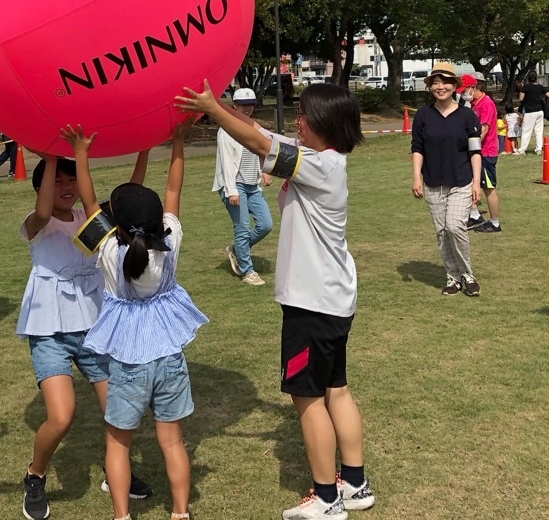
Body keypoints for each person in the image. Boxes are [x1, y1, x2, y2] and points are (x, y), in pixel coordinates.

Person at [177, 80, 374, 519]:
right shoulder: (324, 159)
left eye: (304, 114)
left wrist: (211, 108)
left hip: (313, 303)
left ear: (324, 122)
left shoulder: (319, 165)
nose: (298, 120)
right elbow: (255, 128)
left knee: (307, 399)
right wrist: (222, 105)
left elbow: (254, 139)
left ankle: (326, 499)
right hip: (333, 300)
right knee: (336, 390)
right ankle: (355, 484)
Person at [16, 138, 154, 520]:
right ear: (42, 184)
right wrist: (48, 152)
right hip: (49, 330)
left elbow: (131, 196)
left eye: (71, 179)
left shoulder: (87, 219)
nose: (67, 186)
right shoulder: (36, 224)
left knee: (119, 410)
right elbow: (44, 208)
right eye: (57, 180)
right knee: (61, 416)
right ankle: (35, 474)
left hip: (93, 326)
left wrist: (145, 145)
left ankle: (116, 471)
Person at [80, 120, 207, 520]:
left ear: (114, 224)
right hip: (169, 356)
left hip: (129, 361)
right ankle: (180, 513)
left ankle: (122, 516)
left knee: (117, 443)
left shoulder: (109, 254)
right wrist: (177, 143)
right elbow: (173, 190)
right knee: (173, 442)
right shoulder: (169, 242)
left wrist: (80, 151)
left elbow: (87, 202)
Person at [410, 62, 482, 297]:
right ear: (431, 86)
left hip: (461, 181)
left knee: (455, 226)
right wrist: (416, 178)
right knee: (442, 232)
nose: (440, 87)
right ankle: (452, 277)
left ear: (455, 86)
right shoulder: (423, 115)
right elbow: (417, 148)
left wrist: (477, 182)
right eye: (436, 82)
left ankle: (467, 274)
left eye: (445, 82)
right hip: (432, 182)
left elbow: (475, 151)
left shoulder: (467, 115)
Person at [212, 87, 274, 286]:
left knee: (266, 224)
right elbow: (226, 162)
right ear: (234, 106)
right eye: (242, 105)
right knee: (243, 228)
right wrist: (231, 190)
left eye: (250, 105)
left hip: (252, 184)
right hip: (234, 185)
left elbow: (259, 151)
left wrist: (265, 171)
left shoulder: (252, 128)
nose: (247, 109)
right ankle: (247, 271)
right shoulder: (226, 130)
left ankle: (238, 250)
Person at [465, 73, 503, 234]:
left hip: (486, 152)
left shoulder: (485, 104)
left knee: (488, 187)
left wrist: (471, 146)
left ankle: (495, 222)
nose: (462, 93)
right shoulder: (472, 103)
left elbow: (484, 130)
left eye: (464, 90)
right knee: (470, 183)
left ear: (473, 88)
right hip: (477, 152)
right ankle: (474, 214)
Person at [515, 71, 547, 155]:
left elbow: (521, 99)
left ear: (528, 78)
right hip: (540, 111)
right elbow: (548, 94)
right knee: (539, 131)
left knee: (526, 131)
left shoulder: (526, 87)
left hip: (530, 111)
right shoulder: (540, 87)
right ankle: (539, 149)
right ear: (536, 78)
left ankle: (522, 150)